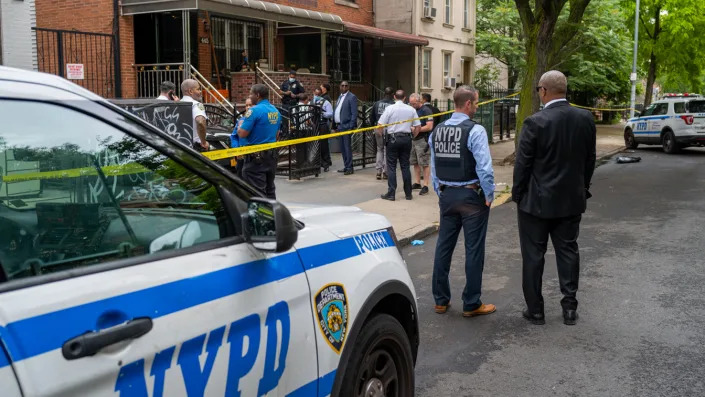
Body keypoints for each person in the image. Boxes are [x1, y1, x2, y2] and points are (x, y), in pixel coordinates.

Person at [512, 70, 596, 326]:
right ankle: (569, 307)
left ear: (544, 90)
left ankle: (535, 310)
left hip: (536, 202)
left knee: (533, 255)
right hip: (571, 199)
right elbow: (589, 159)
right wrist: (582, 187)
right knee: (568, 251)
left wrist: (517, 194)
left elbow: (523, 164)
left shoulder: (535, 122)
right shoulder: (585, 118)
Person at [429, 85, 496, 318]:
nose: (477, 106)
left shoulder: (437, 131)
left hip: (447, 195)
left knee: (443, 248)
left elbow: (434, 167)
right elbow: (484, 167)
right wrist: (489, 195)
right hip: (471, 195)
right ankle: (471, 302)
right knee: (474, 250)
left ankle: (440, 299)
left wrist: (441, 191)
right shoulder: (475, 130)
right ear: (468, 104)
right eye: (476, 103)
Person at [237, 84, 282, 199]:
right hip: (271, 156)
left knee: (256, 193)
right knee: (270, 189)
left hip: (255, 159)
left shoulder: (254, 111)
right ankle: (272, 214)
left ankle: (261, 216)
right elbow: (277, 135)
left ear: (257, 95)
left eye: (251, 94)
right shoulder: (275, 111)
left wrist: (240, 125)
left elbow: (242, 133)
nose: (250, 96)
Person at [377, 90, 420, 201]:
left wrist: (381, 136)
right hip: (406, 139)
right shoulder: (411, 109)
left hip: (393, 139)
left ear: (394, 97)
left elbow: (379, 125)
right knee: (405, 166)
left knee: (391, 166)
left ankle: (391, 193)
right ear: (405, 98)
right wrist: (413, 136)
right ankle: (408, 194)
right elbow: (418, 126)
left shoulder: (389, 108)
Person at [409, 93, 434, 196]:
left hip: (422, 140)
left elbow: (429, 126)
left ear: (420, 101)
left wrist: (417, 129)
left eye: (414, 103)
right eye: (410, 103)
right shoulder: (412, 110)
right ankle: (417, 182)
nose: (412, 105)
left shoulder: (426, 110)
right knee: (415, 162)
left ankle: (426, 185)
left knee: (424, 163)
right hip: (413, 139)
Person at [334, 81, 358, 175]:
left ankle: (349, 167)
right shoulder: (340, 97)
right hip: (339, 126)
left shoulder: (352, 97)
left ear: (348, 87)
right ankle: (346, 165)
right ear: (340, 86)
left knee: (347, 147)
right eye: (342, 85)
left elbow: (354, 113)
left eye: (346, 85)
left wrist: (351, 126)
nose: (344, 87)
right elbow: (337, 110)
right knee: (342, 148)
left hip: (346, 126)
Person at [370, 87, 395, 180]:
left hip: (378, 126)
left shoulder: (377, 103)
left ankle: (378, 171)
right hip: (389, 128)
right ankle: (385, 171)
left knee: (379, 149)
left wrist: (374, 126)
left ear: (384, 93)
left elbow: (371, 117)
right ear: (392, 94)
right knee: (386, 150)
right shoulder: (393, 104)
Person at [180, 79, 209, 152]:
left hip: (181, 145)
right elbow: (200, 122)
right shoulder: (196, 105)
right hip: (196, 147)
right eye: (198, 89)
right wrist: (203, 142)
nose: (200, 92)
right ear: (190, 91)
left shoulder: (178, 104)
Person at [313, 87, 334, 172]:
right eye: (315, 94)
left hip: (323, 125)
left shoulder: (326, 103)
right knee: (315, 145)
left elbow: (330, 114)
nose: (316, 96)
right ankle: (317, 163)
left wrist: (323, 113)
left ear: (321, 94)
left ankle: (326, 163)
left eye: (318, 94)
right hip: (315, 125)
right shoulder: (313, 102)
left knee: (324, 145)